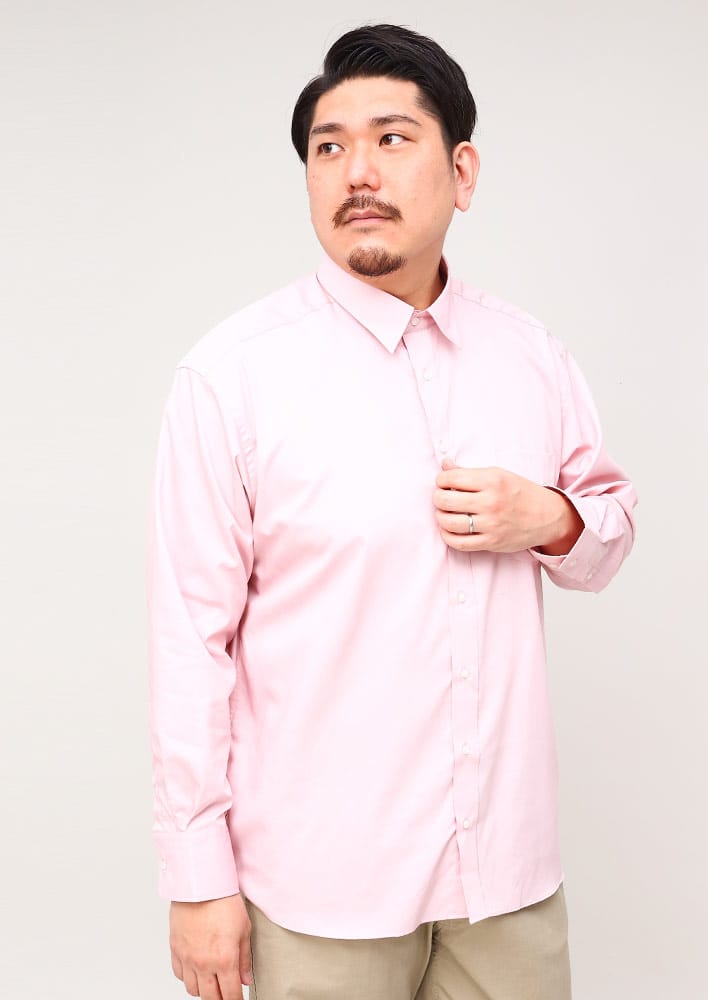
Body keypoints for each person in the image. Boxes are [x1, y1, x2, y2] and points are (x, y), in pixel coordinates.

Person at [146, 22, 637, 1000]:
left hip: (507, 882)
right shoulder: (231, 377)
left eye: (391, 138)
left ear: (462, 172)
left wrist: (547, 516)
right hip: (322, 889)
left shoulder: (531, 357)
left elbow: (606, 536)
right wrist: (198, 881)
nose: (356, 171)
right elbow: (189, 642)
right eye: (328, 148)